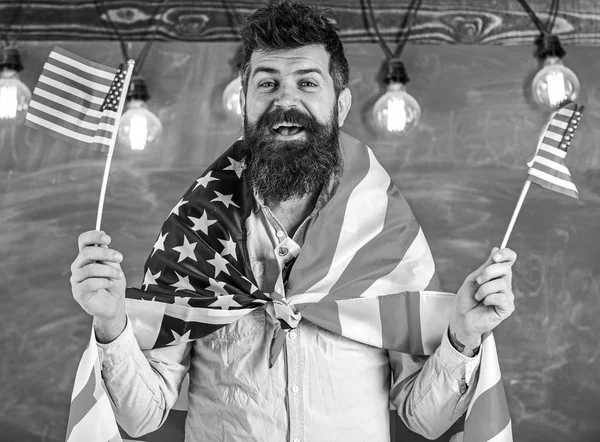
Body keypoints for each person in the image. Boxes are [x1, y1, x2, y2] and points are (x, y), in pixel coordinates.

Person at [70, 1, 517, 441]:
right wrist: (111, 322)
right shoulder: (196, 232)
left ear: (340, 106)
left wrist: (462, 336)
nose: (286, 99)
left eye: (307, 82)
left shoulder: (386, 234)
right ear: (244, 103)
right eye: (268, 83)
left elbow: (426, 419)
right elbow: (140, 416)